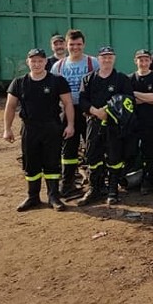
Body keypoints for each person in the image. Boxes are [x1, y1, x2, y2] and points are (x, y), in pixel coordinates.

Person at [3, 48, 75, 211]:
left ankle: (53, 197)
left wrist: (70, 125)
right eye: (33, 61)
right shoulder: (19, 82)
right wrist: (7, 129)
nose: (36, 64)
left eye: (40, 61)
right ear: (28, 62)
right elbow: (10, 106)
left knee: (52, 162)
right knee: (31, 162)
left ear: (45, 62)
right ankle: (32, 197)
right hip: (30, 128)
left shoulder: (57, 81)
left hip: (51, 127)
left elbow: (68, 103)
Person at [77, 46, 134, 206]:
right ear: (98, 59)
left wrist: (108, 110)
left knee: (114, 157)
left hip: (114, 125)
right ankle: (95, 188)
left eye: (110, 57)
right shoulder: (88, 79)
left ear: (114, 59)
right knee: (93, 156)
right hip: (94, 123)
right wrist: (95, 111)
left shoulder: (121, 79)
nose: (107, 60)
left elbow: (129, 100)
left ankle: (112, 190)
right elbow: (82, 100)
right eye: (104, 57)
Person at [51, 29, 98, 199]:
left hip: (88, 111)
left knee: (93, 148)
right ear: (66, 45)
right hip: (67, 111)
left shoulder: (93, 63)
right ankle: (67, 185)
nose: (75, 47)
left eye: (78, 44)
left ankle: (96, 184)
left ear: (84, 44)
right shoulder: (58, 66)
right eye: (72, 44)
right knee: (69, 148)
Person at [128, 49, 153, 195]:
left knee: (150, 152)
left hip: (151, 122)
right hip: (133, 122)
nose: (143, 63)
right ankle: (133, 177)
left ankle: (147, 180)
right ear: (135, 61)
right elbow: (128, 100)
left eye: (146, 60)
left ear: (150, 61)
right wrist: (145, 98)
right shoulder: (129, 79)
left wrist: (135, 94)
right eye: (140, 60)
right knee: (132, 150)